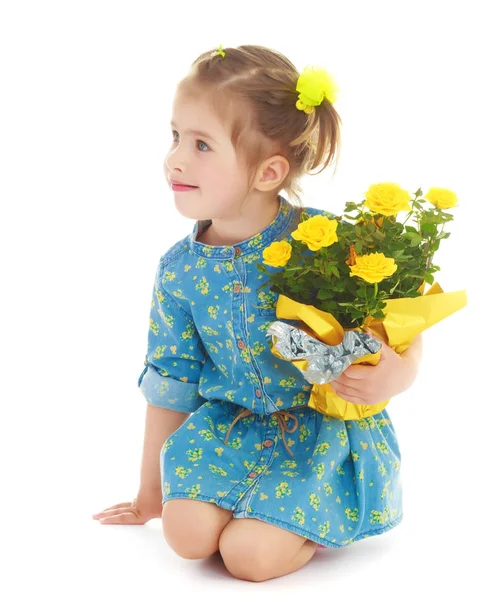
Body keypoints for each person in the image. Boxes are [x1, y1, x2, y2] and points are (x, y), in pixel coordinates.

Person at [92, 44, 423, 582]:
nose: (175, 158)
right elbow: (171, 380)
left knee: (247, 558)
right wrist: (148, 495)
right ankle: (250, 509)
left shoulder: (323, 243)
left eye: (201, 144)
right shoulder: (178, 271)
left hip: (318, 437)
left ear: (269, 172)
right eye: (175, 136)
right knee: (187, 537)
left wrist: (401, 370)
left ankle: (301, 521)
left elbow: (395, 316)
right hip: (229, 430)